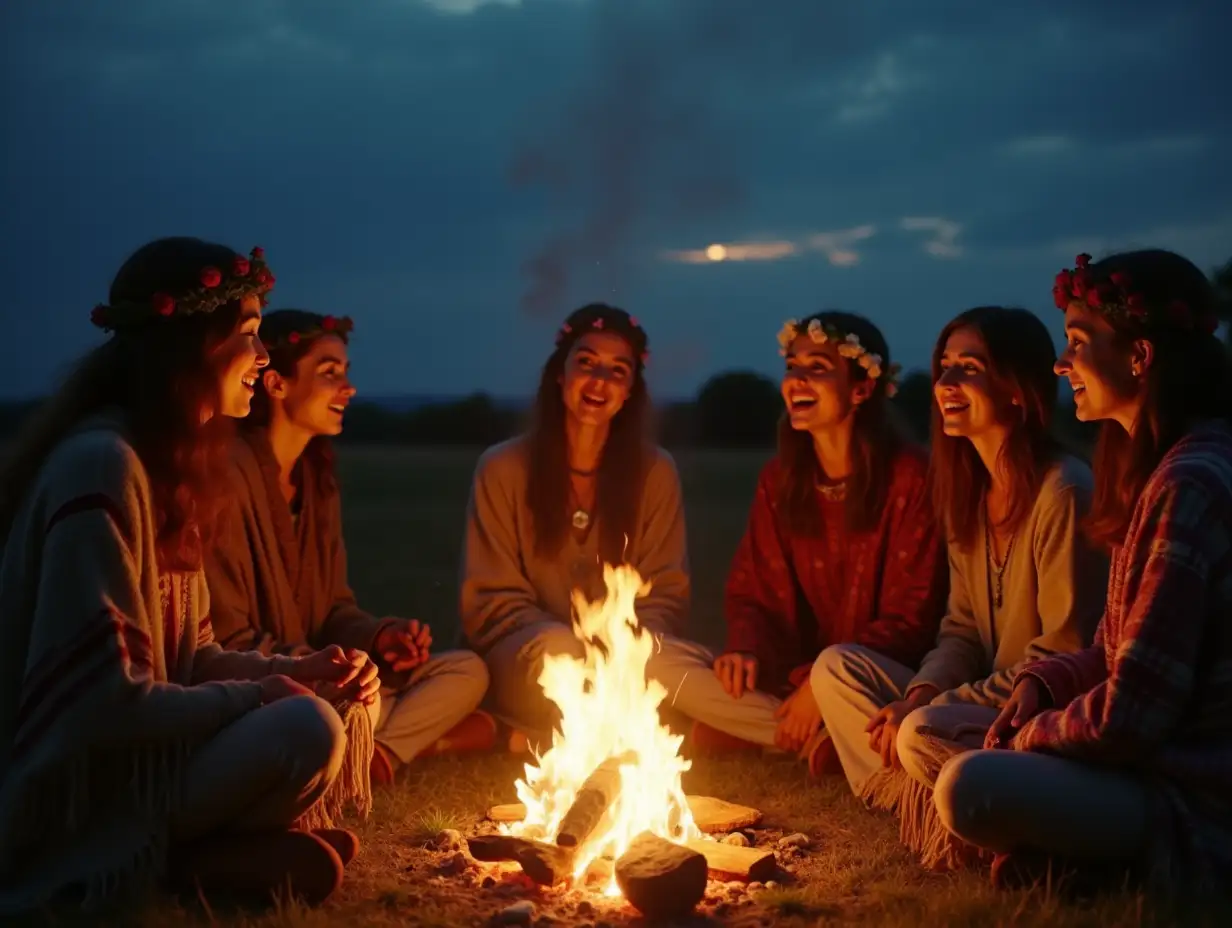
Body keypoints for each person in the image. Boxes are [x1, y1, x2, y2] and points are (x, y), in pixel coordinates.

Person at [0, 239, 382, 914]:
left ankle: (188, 859)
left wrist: (295, 670)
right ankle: (139, 861)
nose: (262, 359)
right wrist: (260, 697)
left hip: (144, 764)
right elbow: (100, 707)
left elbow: (195, 655)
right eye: (248, 337)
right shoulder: (103, 467)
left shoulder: (170, 466)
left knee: (325, 710)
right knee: (303, 728)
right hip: (77, 795)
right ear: (190, 348)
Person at [933, 250, 1232, 895]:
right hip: (1139, 760)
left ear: (1139, 356)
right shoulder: (1157, 472)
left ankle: (1106, 856)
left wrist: (1024, 739)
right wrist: (1044, 683)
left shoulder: (1189, 483)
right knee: (947, 741)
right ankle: (1069, 850)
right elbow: (1112, 650)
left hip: (1189, 789)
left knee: (968, 783)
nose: (1061, 364)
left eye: (1075, 343)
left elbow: (1133, 712)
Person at [812, 306, 1107, 868]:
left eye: (968, 368)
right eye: (944, 367)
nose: (946, 383)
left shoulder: (1063, 492)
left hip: (1038, 712)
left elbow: (1065, 651)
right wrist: (921, 692)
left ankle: (954, 808)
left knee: (919, 732)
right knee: (837, 669)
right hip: (972, 706)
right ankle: (931, 801)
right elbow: (962, 630)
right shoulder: (970, 493)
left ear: (1018, 391)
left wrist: (929, 710)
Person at [652, 312, 948, 774]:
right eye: (792, 367)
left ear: (862, 388)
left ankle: (800, 730)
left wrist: (821, 684)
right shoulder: (780, 480)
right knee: (654, 658)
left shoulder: (911, 478)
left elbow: (912, 619)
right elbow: (752, 589)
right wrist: (745, 648)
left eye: (817, 368)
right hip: (789, 680)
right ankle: (814, 736)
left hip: (872, 681)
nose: (797, 380)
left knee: (835, 674)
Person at [206, 309, 493, 785]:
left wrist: (381, 636)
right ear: (276, 384)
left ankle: (372, 755)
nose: (349, 387)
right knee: (354, 703)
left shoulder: (317, 482)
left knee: (467, 670)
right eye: (329, 373)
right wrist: (324, 667)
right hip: (269, 686)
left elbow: (334, 610)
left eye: (346, 372)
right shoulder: (228, 479)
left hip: (326, 675)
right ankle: (396, 746)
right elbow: (227, 640)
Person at [460, 303, 689, 750]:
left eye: (617, 371)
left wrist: (622, 644)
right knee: (561, 655)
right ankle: (563, 735)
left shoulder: (655, 472)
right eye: (586, 363)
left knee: (675, 667)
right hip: (528, 653)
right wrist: (579, 647)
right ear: (559, 375)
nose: (599, 381)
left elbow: (665, 592)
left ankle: (527, 739)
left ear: (629, 393)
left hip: (626, 654)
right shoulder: (503, 467)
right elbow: (492, 601)